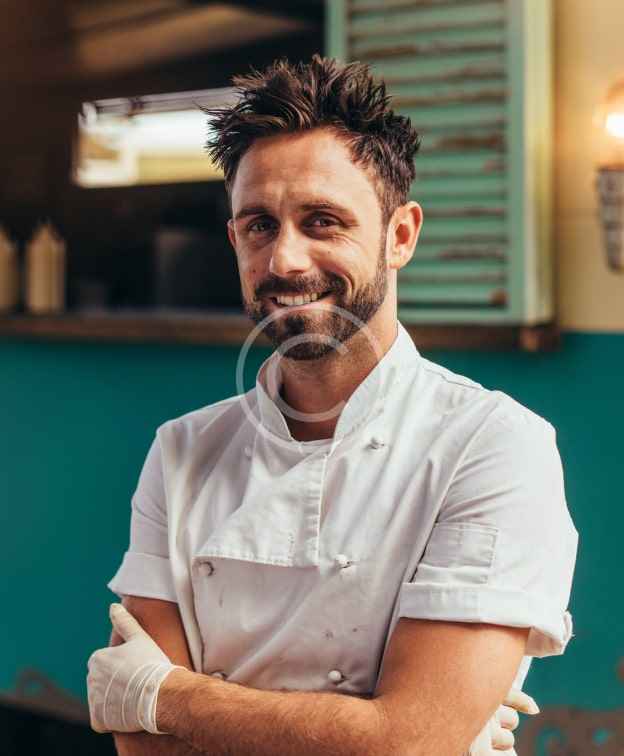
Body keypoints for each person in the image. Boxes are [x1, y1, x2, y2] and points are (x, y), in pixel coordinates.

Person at [87, 55, 578, 755]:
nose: (284, 260)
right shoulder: (182, 451)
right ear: (234, 239)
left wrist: (165, 695)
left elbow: (406, 745)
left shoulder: (494, 445)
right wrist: (394, 729)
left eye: (322, 221)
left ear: (400, 235)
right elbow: (144, 746)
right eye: (259, 225)